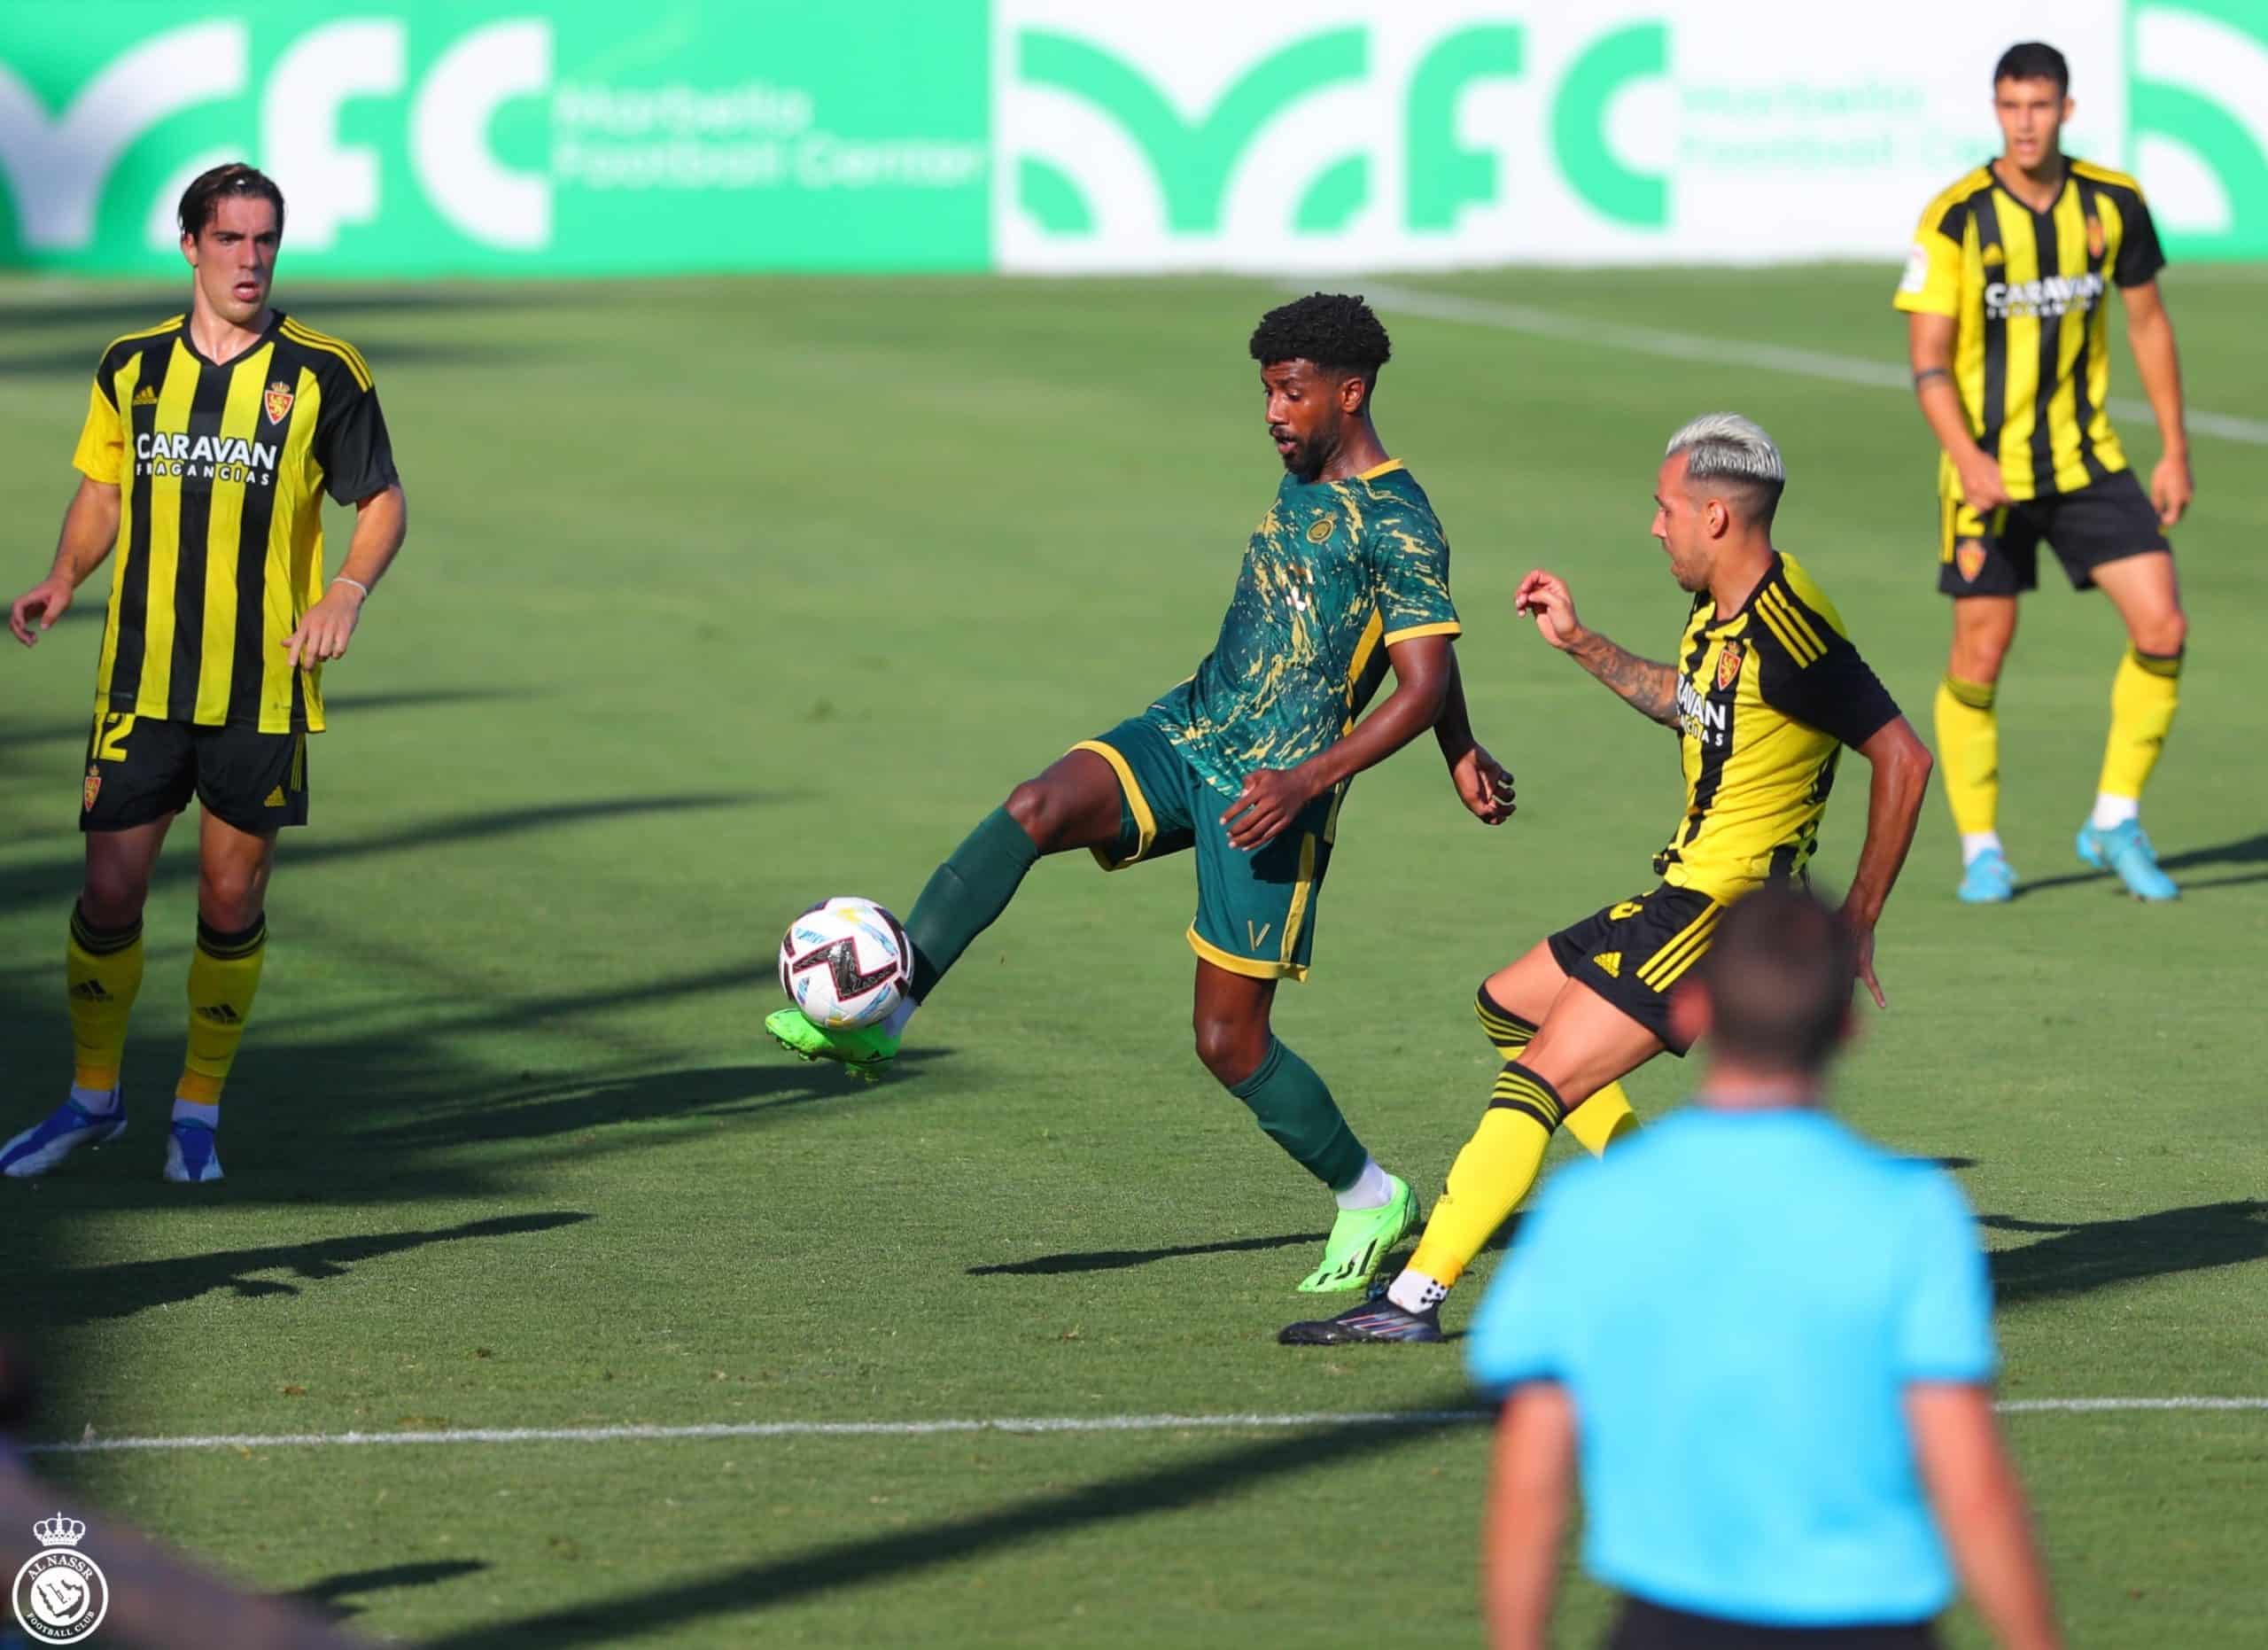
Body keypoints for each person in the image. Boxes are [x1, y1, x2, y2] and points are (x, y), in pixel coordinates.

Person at [766, 292, 1536, 1294]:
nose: (1273, 412)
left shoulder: (1399, 518)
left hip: (1271, 793)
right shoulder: (1304, 470)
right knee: (1034, 806)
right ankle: (892, 1005)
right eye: (1267, 391)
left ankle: (1368, 1194)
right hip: (1189, 728)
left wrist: (1363, 763)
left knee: (1227, 1041)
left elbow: (1421, 676)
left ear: (1350, 394)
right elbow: (1416, 648)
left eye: (1291, 393)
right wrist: (1462, 748)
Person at [1284, 413, 1932, 1343]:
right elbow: (1693, 701)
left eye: (1665, 508)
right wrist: (1582, 641)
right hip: (1684, 892)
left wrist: (1856, 919)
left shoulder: (1793, 630)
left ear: (1715, 516)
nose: (1654, 526)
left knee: (1537, 1080)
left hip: (1719, 910)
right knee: (1510, 1006)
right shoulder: (1722, 608)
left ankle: (1412, 1297)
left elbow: (1904, 756)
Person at [1467, 885, 2063, 1650]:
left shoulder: (1589, 1207)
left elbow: (1532, 1478)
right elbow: (1970, 1480)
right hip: (1873, 1623)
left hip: (1669, 1624)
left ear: (1692, 1010)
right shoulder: (1914, 1212)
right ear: (1846, 1026)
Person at [3, 163, 407, 1184]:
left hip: (262, 685)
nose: (250, 258)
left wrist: (346, 592)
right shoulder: (132, 365)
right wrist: (63, 575)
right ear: (190, 245)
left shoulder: (324, 372)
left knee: (229, 901)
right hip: (139, 679)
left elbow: (382, 500)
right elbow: (103, 489)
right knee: (109, 890)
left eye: (265, 239)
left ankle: (196, 1109)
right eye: (229, 238)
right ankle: (93, 1096)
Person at [1896, 41, 2191, 905]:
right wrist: (1966, 457)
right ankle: (1982, 849)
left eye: (2039, 106)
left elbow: (2148, 324)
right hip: (1985, 471)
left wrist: (2174, 447)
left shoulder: (2113, 203)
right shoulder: (1955, 217)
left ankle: (2114, 818)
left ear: (2066, 110)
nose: (2024, 123)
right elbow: (1927, 359)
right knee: (1980, 655)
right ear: (1996, 111)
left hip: (2086, 461)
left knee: (2162, 625)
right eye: (2010, 106)